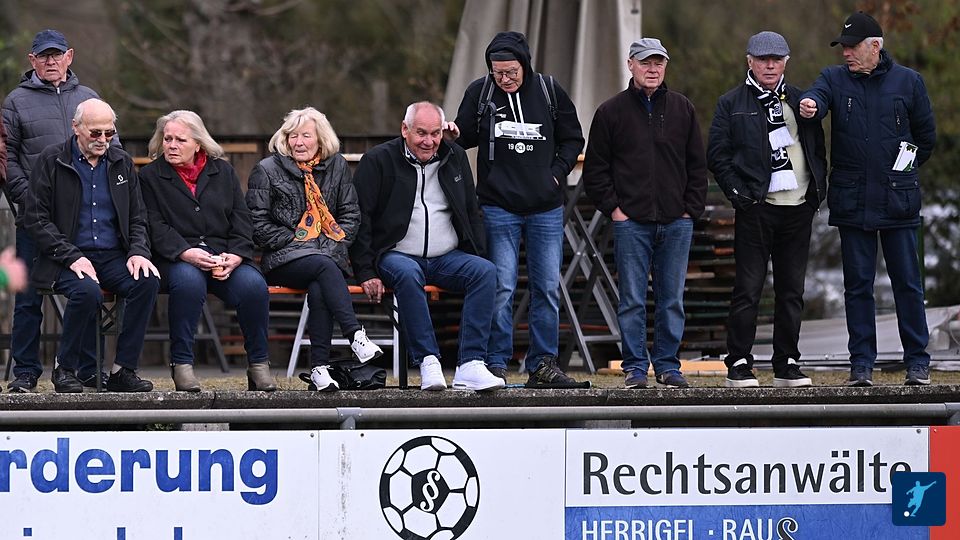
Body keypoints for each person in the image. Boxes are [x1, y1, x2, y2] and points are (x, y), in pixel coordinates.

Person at [800, 12, 936, 386]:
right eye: (842, 46)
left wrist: (902, 172)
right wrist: (811, 104)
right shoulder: (833, 78)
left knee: (908, 285)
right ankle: (861, 364)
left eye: (852, 46)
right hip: (852, 202)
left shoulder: (909, 81)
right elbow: (817, 96)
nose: (845, 53)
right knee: (857, 288)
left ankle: (918, 362)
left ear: (875, 46)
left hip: (898, 203)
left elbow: (925, 138)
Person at [448, 31, 584, 386]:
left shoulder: (549, 90)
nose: (505, 79)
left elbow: (573, 138)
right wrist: (452, 132)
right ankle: (496, 362)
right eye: (498, 73)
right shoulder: (481, 92)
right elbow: (465, 136)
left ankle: (543, 363)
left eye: (511, 72)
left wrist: (556, 174)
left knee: (547, 288)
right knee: (501, 287)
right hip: (498, 206)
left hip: (545, 207)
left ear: (524, 65)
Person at [350, 101, 504, 392]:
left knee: (484, 271)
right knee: (408, 274)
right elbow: (361, 218)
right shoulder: (378, 160)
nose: (429, 141)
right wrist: (365, 271)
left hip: (446, 256)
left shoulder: (454, 156)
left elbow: (471, 211)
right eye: (421, 133)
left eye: (435, 133)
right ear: (404, 130)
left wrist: (477, 252)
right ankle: (428, 360)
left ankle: (471, 364)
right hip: (396, 253)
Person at [583, 38, 708, 389]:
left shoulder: (682, 108)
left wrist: (690, 210)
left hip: (676, 221)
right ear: (631, 65)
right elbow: (595, 170)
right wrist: (615, 210)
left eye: (658, 63)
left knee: (672, 300)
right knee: (632, 300)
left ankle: (668, 366)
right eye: (645, 63)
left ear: (665, 66)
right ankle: (635, 368)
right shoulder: (610, 112)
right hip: (631, 222)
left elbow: (697, 165)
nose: (652, 69)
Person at [707, 31, 827, 388]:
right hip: (757, 208)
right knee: (748, 289)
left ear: (786, 62)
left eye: (776, 59)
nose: (770, 66)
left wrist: (815, 194)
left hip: (798, 208)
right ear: (750, 62)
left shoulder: (802, 101)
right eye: (763, 59)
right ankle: (739, 361)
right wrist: (740, 196)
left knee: (792, 290)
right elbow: (718, 156)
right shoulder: (731, 103)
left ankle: (787, 362)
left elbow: (816, 149)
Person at [24, 98, 159, 393]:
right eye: (95, 132)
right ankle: (65, 368)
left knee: (147, 281)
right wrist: (71, 256)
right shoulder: (52, 160)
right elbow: (35, 219)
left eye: (109, 133)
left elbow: (138, 217)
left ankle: (123, 370)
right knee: (87, 291)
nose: (103, 139)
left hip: (113, 255)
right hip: (65, 257)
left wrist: (138, 251)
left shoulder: (121, 162)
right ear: (76, 127)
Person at [247, 107, 382, 391]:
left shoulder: (337, 167)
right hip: (283, 257)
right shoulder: (267, 170)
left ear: (320, 139)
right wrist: (298, 240)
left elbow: (350, 215)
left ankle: (320, 369)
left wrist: (328, 246)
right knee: (324, 267)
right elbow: (257, 225)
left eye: (306, 136)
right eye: (292, 136)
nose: (298, 142)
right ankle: (355, 335)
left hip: (326, 257)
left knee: (321, 282)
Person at [139, 110, 276, 392]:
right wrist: (185, 252)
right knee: (188, 282)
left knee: (253, 286)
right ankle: (182, 364)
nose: (171, 145)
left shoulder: (222, 171)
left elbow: (241, 217)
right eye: (167, 139)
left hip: (222, 255)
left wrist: (236, 255)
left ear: (198, 143)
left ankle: (259, 365)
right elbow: (153, 224)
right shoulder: (150, 176)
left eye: (180, 140)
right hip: (175, 257)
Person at [2, 29, 106, 393]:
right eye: (43, 56)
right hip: (36, 218)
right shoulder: (15, 101)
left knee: (89, 289)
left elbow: (112, 149)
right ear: (32, 60)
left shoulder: (89, 98)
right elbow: (6, 159)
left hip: (85, 217)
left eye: (56, 54)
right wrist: (29, 199)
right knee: (28, 296)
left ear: (69, 56)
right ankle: (25, 372)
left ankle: (86, 368)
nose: (51, 61)